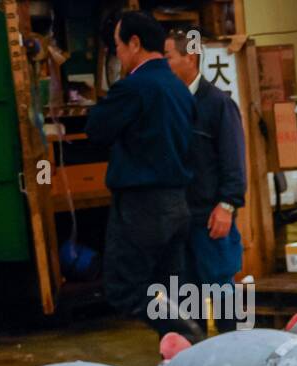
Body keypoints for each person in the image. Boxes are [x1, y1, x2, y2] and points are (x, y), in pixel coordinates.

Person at [86, 11, 199, 341]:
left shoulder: (134, 87)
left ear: (134, 43)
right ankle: (185, 353)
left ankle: (182, 330)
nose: (117, 53)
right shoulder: (179, 89)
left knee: (125, 288)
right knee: (171, 288)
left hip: (141, 206)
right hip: (177, 203)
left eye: (118, 45)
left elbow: (96, 129)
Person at [164, 29, 247, 334]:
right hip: (178, 219)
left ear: (190, 57)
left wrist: (227, 205)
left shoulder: (217, 104)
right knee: (185, 298)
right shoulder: (168, 104)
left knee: (222, 292)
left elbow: (234, 161)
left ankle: (237, 359)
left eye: (168, 57)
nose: (163, 63)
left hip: (211, 218)